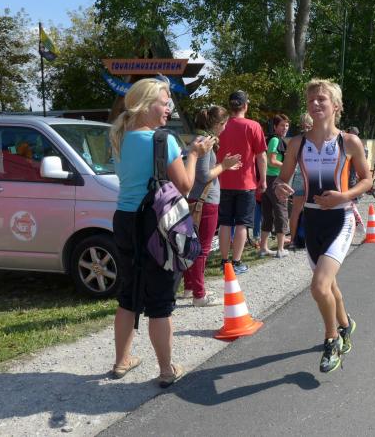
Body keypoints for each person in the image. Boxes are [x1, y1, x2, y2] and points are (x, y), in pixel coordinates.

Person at [109, 77, 212, 387]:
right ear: (145, 105)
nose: (169, 109)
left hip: (125, 219)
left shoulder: (119, 136)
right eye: (165, 103)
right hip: (156, 222)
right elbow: (185, 186)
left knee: (129, 294)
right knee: (160, 300)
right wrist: (194, 155)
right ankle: (167, 370)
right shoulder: (163, 140)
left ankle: (121, 361)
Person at [274, 78, 371, 373]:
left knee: (318, 286)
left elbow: (367, 180)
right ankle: (345, 324)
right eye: (311, 100)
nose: (315, 104)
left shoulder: (349, 142)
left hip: (340, 218)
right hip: (312, 220)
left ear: (336, 106)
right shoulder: (297, 144)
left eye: (322, 99)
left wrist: (344, 195)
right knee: (329, 285)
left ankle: (332, 339)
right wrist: (280, 188)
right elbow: (282, 180)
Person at [182, 106, 242, 307]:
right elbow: (204, 175)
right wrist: (223, 166)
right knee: (202, 249)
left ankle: (190, 287)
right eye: (224, 124)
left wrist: (223, 166)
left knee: (191, 246)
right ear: (217, 124)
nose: (225, 128)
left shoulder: (197, 139)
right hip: (205, 202)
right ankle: (199, 295)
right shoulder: (206, 142)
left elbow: (202, 171)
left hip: (197, 200)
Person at [216, 90, 268, 274]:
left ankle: (224, 262)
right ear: (245, 106)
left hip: (222, 181)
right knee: (242, 224)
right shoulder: (253, 126)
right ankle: (236, 262)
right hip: (246, 183)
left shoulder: (221, 126)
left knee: (224, 223)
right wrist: (263, 179)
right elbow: (261, 156)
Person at [259, 114, 290, 258]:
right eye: (282, 125)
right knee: (281, 212)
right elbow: (271, 161)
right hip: (275, 180)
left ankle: (263, 248)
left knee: (268, 214)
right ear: (275, 127)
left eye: (287, 125)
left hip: (268, 180)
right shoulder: (275, 140)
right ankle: (280, 249)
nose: (285, 128)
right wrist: (288, 166)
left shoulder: (273, 139)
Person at [288, 113, 312, 250]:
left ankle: (293, 240)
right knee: (313, 209)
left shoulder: (296, 140)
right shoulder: (316, 139)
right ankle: (309, 239)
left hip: (298, 176)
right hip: (311, 177)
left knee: (295, 211)